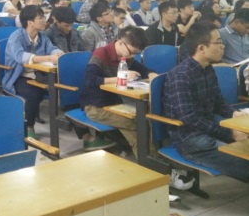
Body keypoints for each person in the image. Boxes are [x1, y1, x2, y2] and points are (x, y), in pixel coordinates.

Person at [163, 22, 249, 182]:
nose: (222, 46)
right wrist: (230, 133)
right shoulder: (181, 75)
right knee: (244, 162)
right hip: (190, 139)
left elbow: (218, 102)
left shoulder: (208, 69)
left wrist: (234, 114)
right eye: (218, 42)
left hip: (209, 130)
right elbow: (189, 119)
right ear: (201, 48)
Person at [80, 27, 157, 158]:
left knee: (146, 120)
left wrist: (150, 74)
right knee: (138, 123)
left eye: (136, 53)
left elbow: (141, 68)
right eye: (132, 52)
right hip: (96, 107)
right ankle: (150, 160)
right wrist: (120, 78)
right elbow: (90, 80)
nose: (132, 56)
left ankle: (149, 159)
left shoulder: (125, 55)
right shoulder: (101, 54)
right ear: (121, 42)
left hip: (116, 104)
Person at [2, 5, 64, 138]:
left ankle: (70, 123)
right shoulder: (16, 37)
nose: (44, 20)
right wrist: (49, 58)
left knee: (62, 86)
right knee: (34, 93)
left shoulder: (42, 36)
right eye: (40, 18)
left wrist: (59, 53)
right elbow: (21, 57)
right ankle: (29, 126)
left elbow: (52, 48)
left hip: (39, 74)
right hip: (18, 76)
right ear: (30, 22)